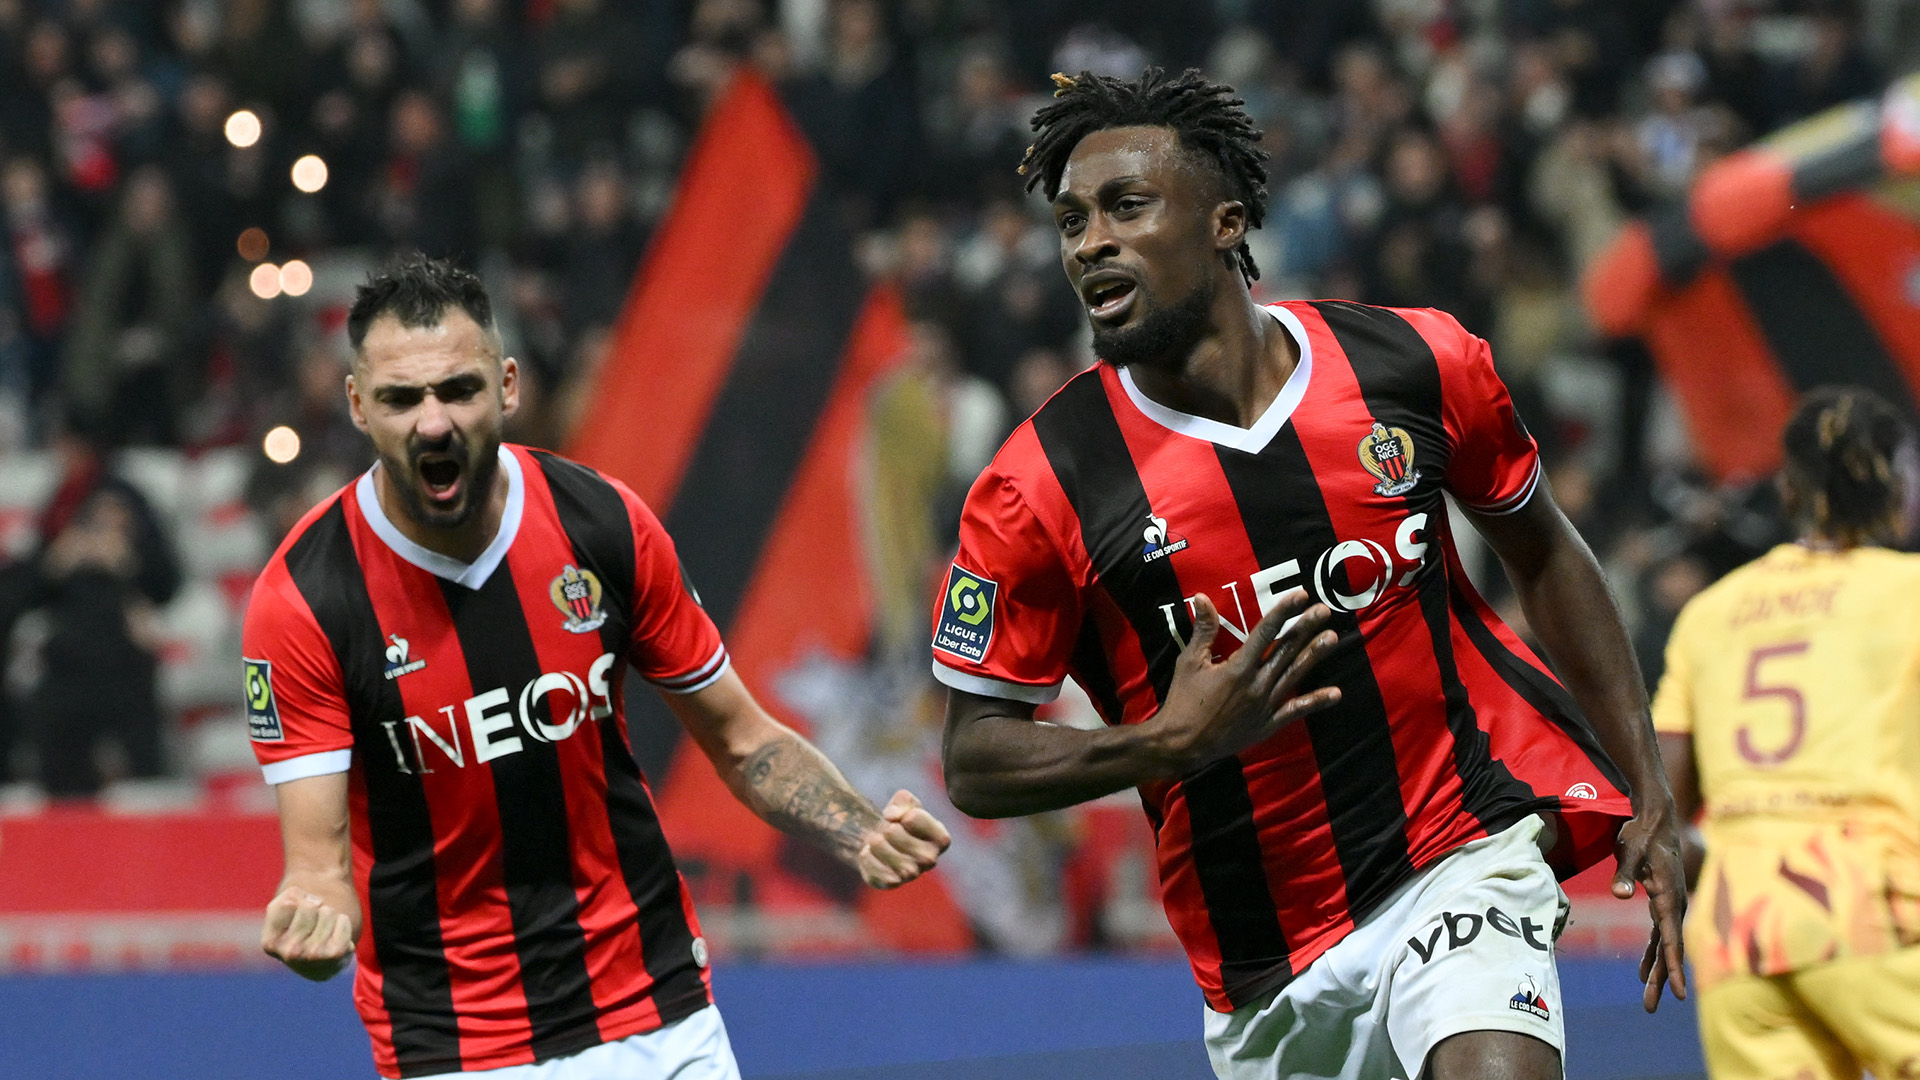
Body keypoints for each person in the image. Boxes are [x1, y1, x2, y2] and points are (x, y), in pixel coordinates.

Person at [934, 69, 1688, 1080]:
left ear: (1225, 221)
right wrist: (1166, 741)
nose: (1090, 243)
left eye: (1126, 207)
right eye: (1072, 221)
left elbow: (1544, 548)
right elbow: (975, 758)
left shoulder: (1412, 363)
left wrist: (1649, 788)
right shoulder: (1039, 485)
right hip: (1266, 962)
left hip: (1458, 855)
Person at [243, 257, 950, 1079]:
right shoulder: (305, 600)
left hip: (658, 1012)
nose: (434, 423)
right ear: (358, 405)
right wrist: (315, 924)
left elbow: (743, 739)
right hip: (456, 1045)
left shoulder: (602, 522)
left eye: (459, 390)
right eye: (403, 398)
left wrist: (858, 829)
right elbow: (320, 869)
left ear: (508, 386)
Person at [1652, 387, 1920, 1080]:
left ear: (1789, 489)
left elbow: (1661, 810)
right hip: (1871, 902)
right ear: (1899, 491)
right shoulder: (1909, 592)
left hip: (1735, 928)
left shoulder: (1710, 613)